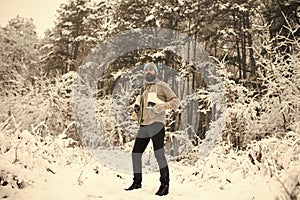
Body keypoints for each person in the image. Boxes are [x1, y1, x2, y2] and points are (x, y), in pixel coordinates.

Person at [126, 62, 180, 196]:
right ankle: (137, 183)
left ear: (155, 72)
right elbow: (141, 110)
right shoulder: (143, 90)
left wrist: (162, 107)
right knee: (136, 154)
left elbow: (175, 102)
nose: (148, 72)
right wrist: (136, 112)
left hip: (157, 124)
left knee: (159, 154)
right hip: (144, 125)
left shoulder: (161, 86)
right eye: (146, 70)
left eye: (151, 69)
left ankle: (164, 185)